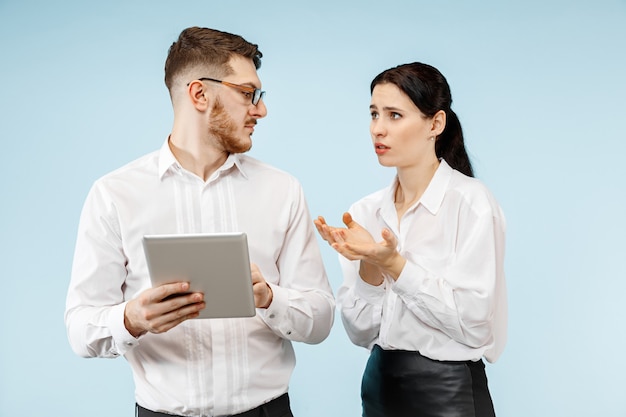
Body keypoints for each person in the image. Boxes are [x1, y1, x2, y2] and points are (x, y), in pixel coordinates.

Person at [65, 26, 335, 417]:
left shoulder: (283, 190)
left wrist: (269, 298)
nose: (260, 109)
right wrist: (132, 318)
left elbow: (322, 319)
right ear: (199, 94)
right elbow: (80, 329)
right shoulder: (114, 195)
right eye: (248, 94)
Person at [315, 62, 507, 417]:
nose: (378, 129)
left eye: (394, 115)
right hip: (379, 388)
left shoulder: (471, 203)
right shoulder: (364, 212)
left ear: (435, 124)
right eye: (374, 114)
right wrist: (372, 266)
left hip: (448, 394)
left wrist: (395, 266)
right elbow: (360, 333)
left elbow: (475, 324)